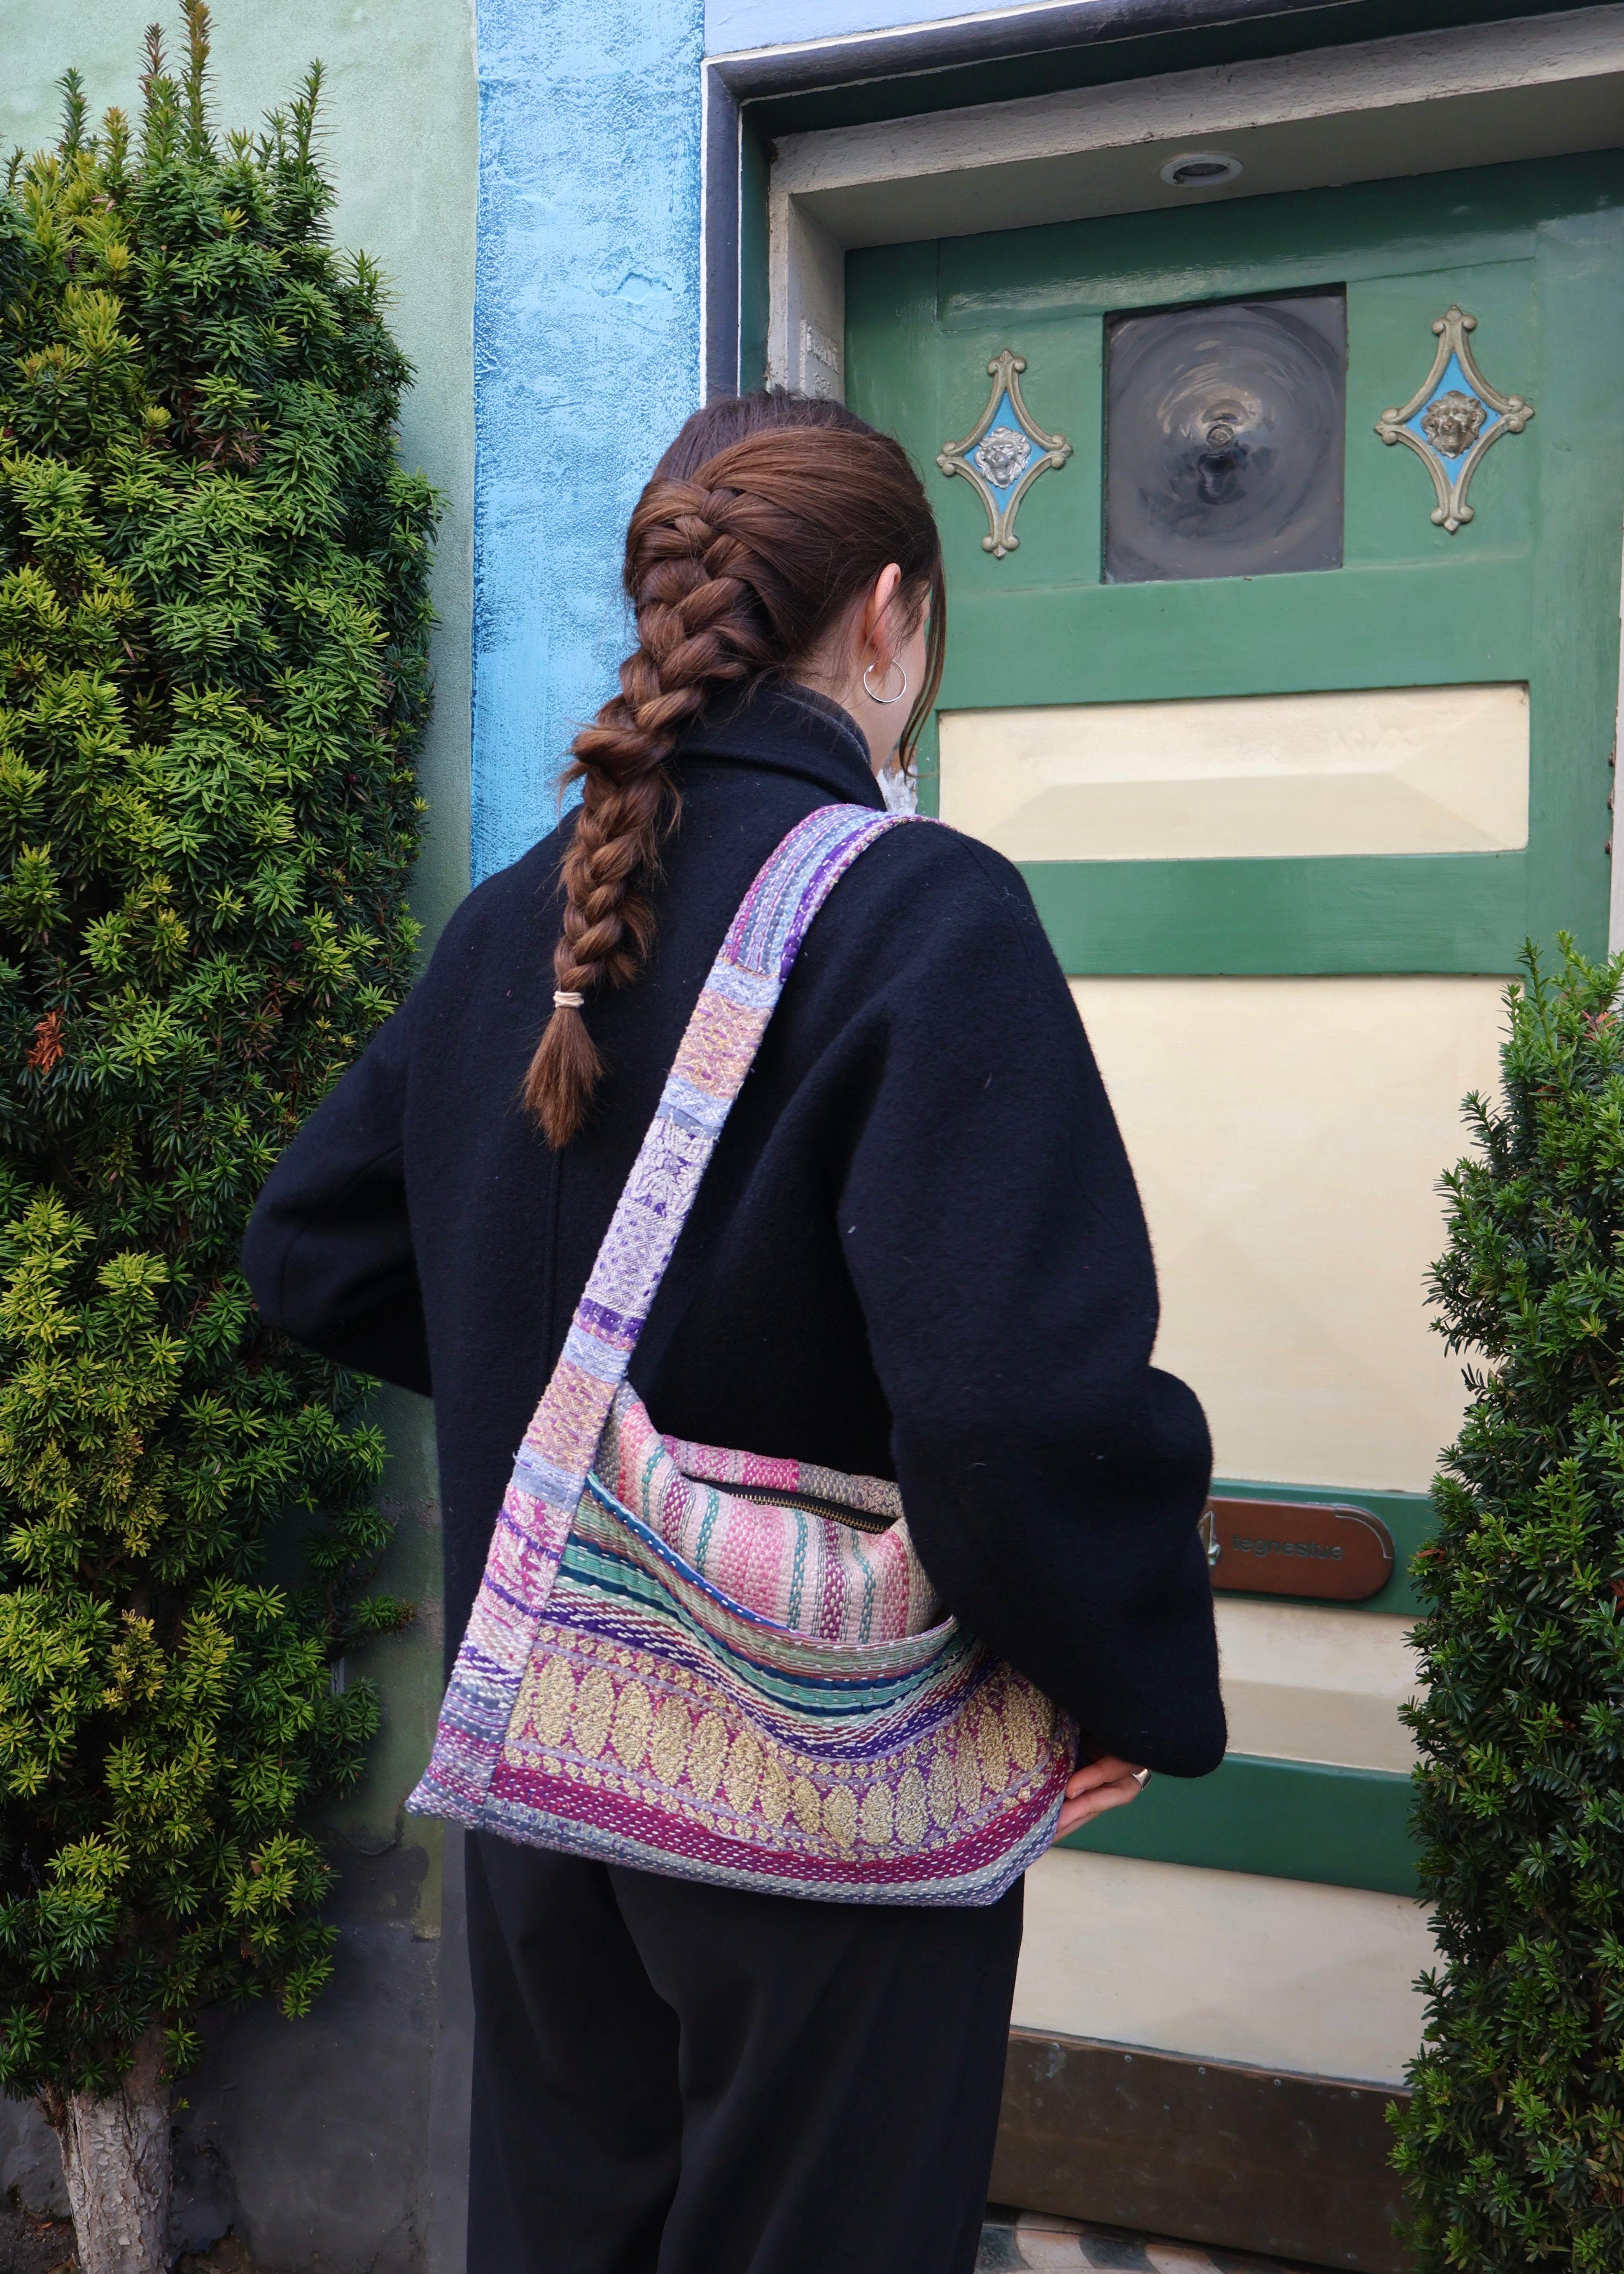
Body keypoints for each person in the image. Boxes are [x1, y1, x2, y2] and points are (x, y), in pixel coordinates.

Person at [241, 391, 1225, 2274]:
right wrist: (1122, 1677)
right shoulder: (916, 910)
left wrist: (563, 1405)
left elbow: (311, 1250)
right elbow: (1009, 1400)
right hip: (818, 1799)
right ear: (887, 611)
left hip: (558, 1765)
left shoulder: (522, 927)